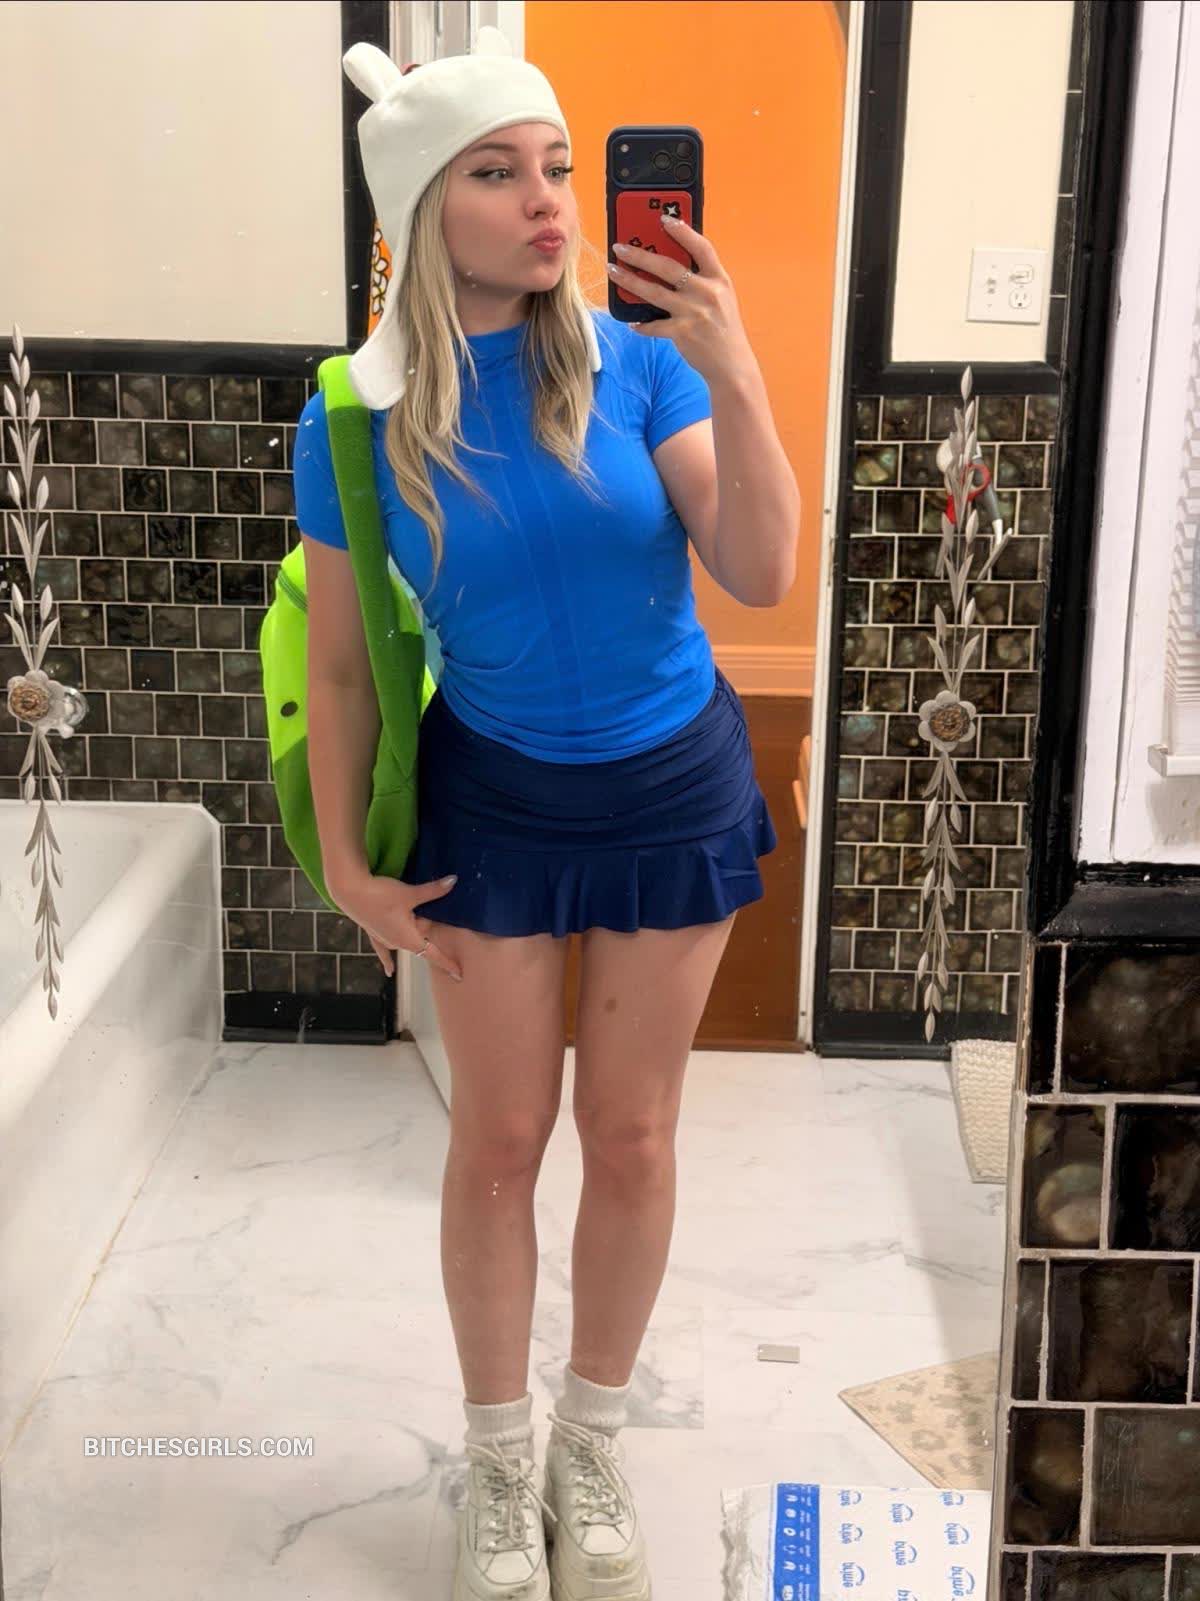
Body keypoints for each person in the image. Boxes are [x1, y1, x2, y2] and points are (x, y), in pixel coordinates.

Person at [292, 29, 791, 1601]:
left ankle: (592, 1438)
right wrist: (351, 871)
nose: (550, 201)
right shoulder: (355, 419)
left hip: (669, 787)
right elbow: (342, 671)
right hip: (494, 800)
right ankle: (501, 1459)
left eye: (559, 167)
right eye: (498, 173)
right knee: (499, 1142)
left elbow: (762, 569)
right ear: (420, 209)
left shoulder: (640, 367)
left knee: (631, 1137)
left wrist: (737, 365)